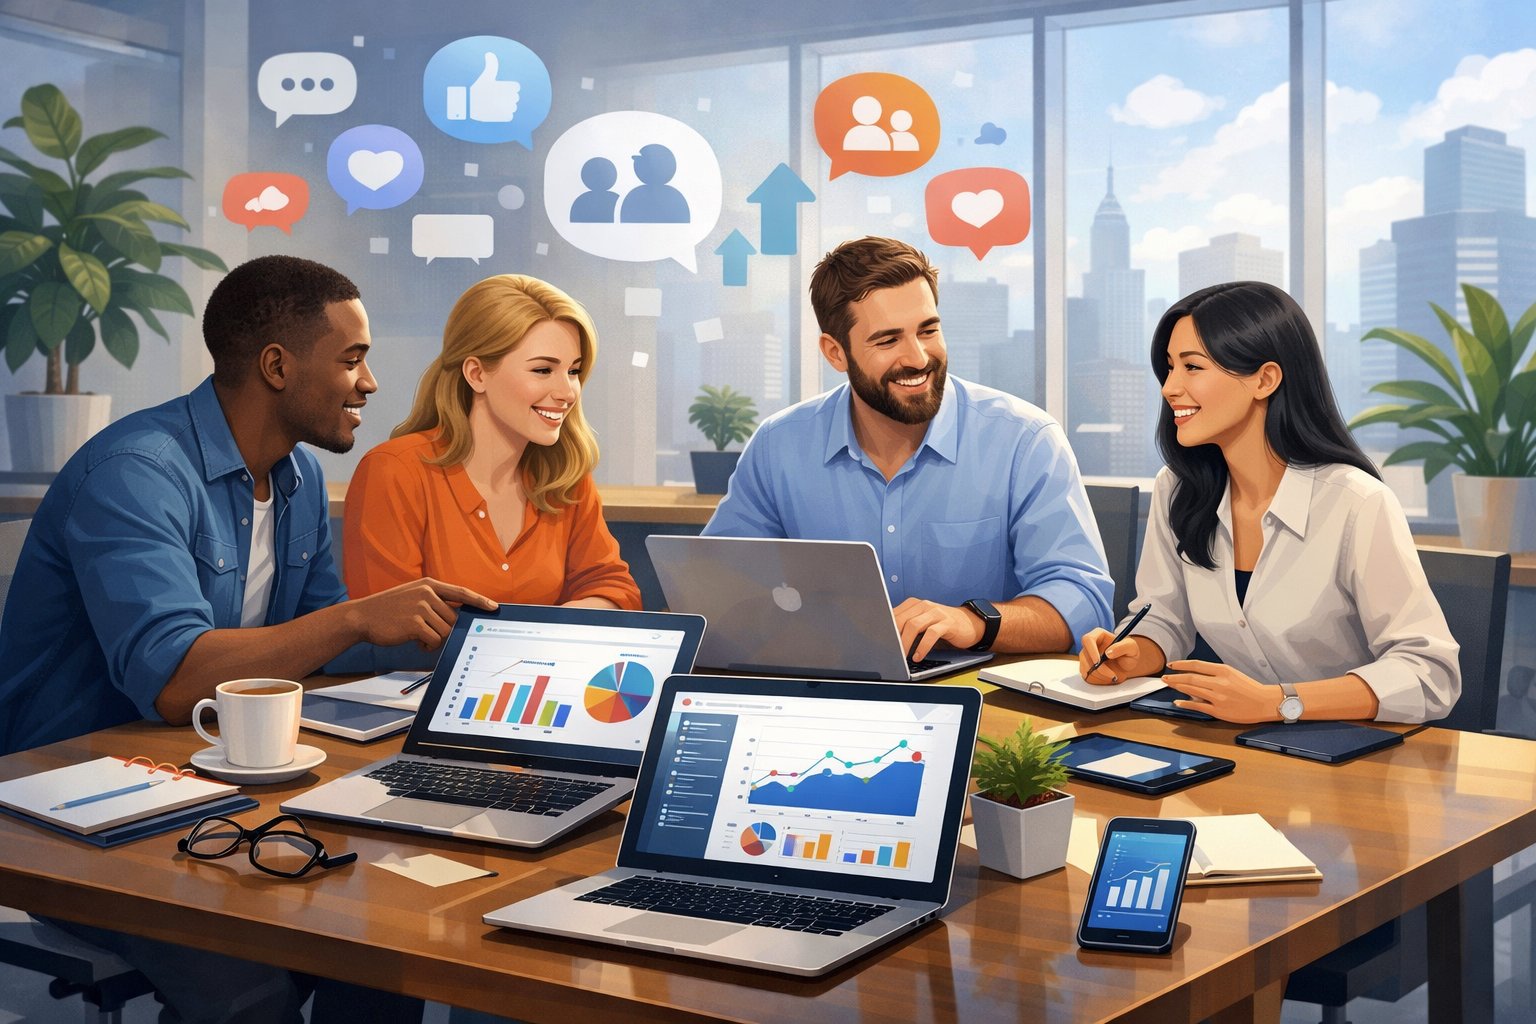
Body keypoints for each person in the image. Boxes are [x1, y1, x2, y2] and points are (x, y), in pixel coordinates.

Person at [0, 254, 495, 1022]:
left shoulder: (298, 480)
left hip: (213, 793)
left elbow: (322, 647)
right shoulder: (137, 473)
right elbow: (175, 681)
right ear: (277, 366)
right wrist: (358, 617)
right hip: (76, 810)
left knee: (385, 943)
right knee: (252, 992)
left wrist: (452, 637)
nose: (369, 383)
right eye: (352, 359)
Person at [704, 235, 1115, 660]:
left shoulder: (1025, 441)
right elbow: (717, 588)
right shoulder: (778, 446)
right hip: (826, 683)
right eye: (888, 340)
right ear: (835, 353)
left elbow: (1083, 604)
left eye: (928, 330)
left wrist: (973, 622)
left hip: (979, 691)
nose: (918, 358)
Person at [1078, 281, 1460, 724]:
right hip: (1242, 746)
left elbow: (1430, 674)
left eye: (1192, 367)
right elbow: (1164, 617)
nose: (1169, 387)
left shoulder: (1357, 502)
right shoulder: (1177, 489)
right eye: (1169, 368)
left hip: (1358, 751)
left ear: (1264, 380)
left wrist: (1279, 702)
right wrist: (1131, 652)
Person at [344, 274, 641, 612]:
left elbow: (615, 589)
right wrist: (544, 631)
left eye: (573, 371)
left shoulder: (565, 476)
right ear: (476, 374)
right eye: (543, 370)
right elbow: (390, 622)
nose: (567, 393)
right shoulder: (394, 471)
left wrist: (549, 630)